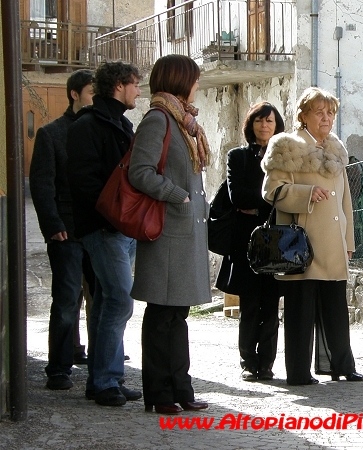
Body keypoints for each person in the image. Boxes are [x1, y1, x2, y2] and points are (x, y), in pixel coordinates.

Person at [261, 87, 363, 385]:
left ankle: (341, 365)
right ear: (303, 115)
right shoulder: (286, 145)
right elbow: (272, 191)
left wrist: (349, 241)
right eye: (319, 112)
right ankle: (298, 372)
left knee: (335, 310)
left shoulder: (335, 147)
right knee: (300, 312)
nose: (326, 118)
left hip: (333, 244)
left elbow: (345, 202)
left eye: (330, 112)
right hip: (300, 246)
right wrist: (306, 194)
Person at [128, 54, 211, 414]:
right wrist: (179, 196)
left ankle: (182, 389)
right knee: (162, 314)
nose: (197, 84)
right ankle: (159, 394)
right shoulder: (158, 119)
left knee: (177, 314)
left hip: (184, 233)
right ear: (180, 80)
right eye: (193, 78)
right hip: (166, 232)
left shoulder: (184, 122)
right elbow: (140, 172)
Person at [66, 61, 142, 406]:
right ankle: (105, 380)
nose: (138, 91)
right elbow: (83, 181)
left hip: (119, 226)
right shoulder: (88, 125)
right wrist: (112, 218)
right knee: (118, 299)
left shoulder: (120, 123)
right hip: (103, 227)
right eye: (135, 84)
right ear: (119, 86)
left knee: (106, 303)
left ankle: (104, 379)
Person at [30, 69, 95, 390]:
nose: (95, 98)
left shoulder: (100, 130)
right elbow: (41, 185)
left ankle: (96, 359)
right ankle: (58, 368)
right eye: (90, 93)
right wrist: (53, 226)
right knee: (68, 299)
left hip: (97, 230)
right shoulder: (51, 134)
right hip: (66, 232)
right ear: (74, 94)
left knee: (101, 298)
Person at [216, 102, 284, 382]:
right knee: (249, 305)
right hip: (245, 240)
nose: (264, 126)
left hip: (277, 239)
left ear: (277, 125)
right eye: (259, 121)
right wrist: (266, 201)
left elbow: (284, 195)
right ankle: (247, 362)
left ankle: (266, 363)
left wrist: (260, 204)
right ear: (251, 125)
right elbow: (237, 197)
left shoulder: (283, 156)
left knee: (270, 305)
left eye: (269, 121)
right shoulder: (238, 157)